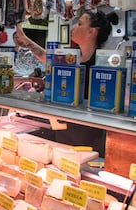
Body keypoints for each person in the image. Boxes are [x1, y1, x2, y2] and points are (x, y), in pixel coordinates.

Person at [13, 9, 118, 157]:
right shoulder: (74, 57)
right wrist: (26, 41)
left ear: (92, 32)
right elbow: (47, 58)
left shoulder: (101, 63)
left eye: (80, 23)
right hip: (67, 127)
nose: (74, 26)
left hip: (88, 134)